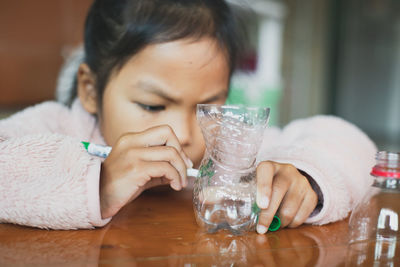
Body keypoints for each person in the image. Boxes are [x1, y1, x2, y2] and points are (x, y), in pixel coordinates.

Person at [0, 0, 376, 233]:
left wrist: (305, 176)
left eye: (207, 107)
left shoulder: (228, 147)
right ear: (90, 90)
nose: (182, 133)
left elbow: (347, 140)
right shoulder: (59, 127)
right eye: (152, 106)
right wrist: (97, 182)